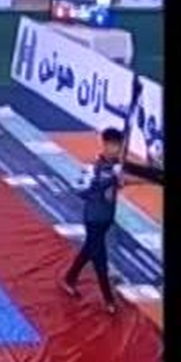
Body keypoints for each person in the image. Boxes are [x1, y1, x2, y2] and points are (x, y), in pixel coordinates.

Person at [61, 127, 124, 314]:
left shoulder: (118, 166)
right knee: (100, 258)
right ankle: (108, 300)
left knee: (89, 249)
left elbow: (123, 182)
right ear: (104, 144)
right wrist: (108, 180)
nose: (115, 149)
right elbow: (79, 190)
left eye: (118, 146)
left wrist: (120, 179)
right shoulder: (93, 167)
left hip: (107, 218)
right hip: (94, 218)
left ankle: (69, 278)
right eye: (112, 145)